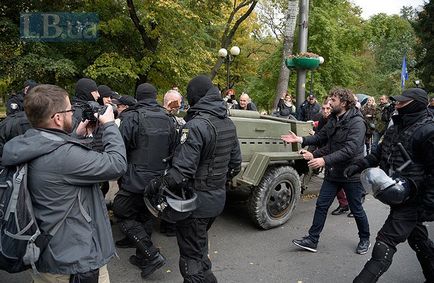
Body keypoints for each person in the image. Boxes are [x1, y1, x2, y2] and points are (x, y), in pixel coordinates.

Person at [2, 84, 127, 282]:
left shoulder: (26, 144)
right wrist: (110, 126)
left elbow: (56, 159)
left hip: (45, 253)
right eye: (69, 110)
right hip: (73, 262)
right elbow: (117, 164)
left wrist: (74, 136)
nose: (72, 113)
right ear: (58, 118)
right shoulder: (65, 156)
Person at [152, 75, 241, 282]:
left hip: (195, 204)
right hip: (217, 200)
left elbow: (181, 172)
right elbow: (235, 164)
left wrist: (158, 185)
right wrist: (216, 182)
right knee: (199, 248)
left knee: (191, 259)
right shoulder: (227, 122)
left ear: (196, 97)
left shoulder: (195, 126)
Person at [345, 88, 434, 283]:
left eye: (402, 102)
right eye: (397, 102)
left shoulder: (428, 130)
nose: (397, 105)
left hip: (414, 200)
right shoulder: (395, 127)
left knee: (385, 242)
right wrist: (358, 165)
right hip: (396, 192)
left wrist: (428, 205)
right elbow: (379, 152)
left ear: (416, 104)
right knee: (418, 239)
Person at [281, 88, 370, 254]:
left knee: (356, 208)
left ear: (343, 103)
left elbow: (350, 149)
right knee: (321, 205)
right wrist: (300, 140)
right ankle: (312, 240)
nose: (329, 103)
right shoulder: (335, 119)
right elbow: (321, 138)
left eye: (333, 100)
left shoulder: (357, 122)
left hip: (350, 173)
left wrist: (323, 159)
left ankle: (365, 239)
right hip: (333, 171)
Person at [112, 83, 177, 278]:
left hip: (135, 178)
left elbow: (120, 147)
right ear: (155, 96)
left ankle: (151, 255)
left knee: (121, 211)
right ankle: (143, 255)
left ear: (138, 97)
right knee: (147, 214)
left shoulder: (131, 117)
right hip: (159, 178)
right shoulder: (169, 119)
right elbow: (174, 148)